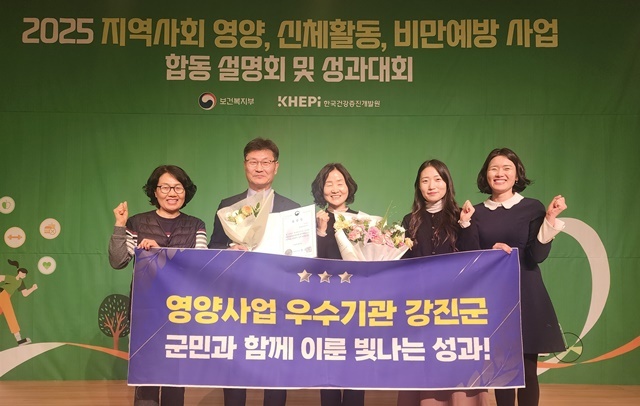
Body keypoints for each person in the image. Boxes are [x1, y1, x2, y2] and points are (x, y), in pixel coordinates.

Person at [459, 148, 567, 406]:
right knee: (502, 370)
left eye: (507, 168)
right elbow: (469, 257)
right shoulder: (475, 212)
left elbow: (537, 255)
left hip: (525, 292)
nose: (500, 173)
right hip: (492, 297)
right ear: (486, 175)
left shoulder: (532, 207)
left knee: (528, 370)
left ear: (517, 174)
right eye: (494, 168)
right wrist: (466, 226)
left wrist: (550, 219)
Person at [208, 137, 298, 406]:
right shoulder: (227, 205)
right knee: (235, 363)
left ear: (276, 167)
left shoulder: (292, 209)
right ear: (245, 165)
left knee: (275, 363)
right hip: (237, 299)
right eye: (253, 162)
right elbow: (213, 246)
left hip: (277, 299)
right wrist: (229, 248)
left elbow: (299, 255)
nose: (259, 168)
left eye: (266, 162)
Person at [109, 164, 207, 406]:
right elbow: (118, 261)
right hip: (146, 311)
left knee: (175, 378)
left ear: (186, 192)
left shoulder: (196, 225)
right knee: (146, 378)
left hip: (180, 311)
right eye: (165, 187)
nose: (172, 193)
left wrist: (161, 251)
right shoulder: (137, 222)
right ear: (154, 191)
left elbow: (200, 266)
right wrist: (120, 225)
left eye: (178, 187)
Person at [397, 159, 489, 406]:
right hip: (420, 307)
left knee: (454, 359)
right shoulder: (409, 220)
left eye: (437, 179)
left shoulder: (462, 215)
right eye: (425, 180)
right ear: (418, 186)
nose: (431, 186)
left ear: (447, 183)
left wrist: (466, 224)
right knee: (424, 361)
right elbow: (402, 263)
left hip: (455, 305)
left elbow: (473, 257)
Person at [311, 163, 364, 406]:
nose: (335, 189)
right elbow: (310, 264)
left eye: (339, 183)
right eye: (329, 184)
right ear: (321, 189)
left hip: (356, 304)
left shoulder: (362, 220)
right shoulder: (313, 221)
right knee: (328, 367)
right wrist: (321, 232)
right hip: (325, 305)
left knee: (356, 366)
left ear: (348, 186)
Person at [0, 260, 38, 347]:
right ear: (19, 272)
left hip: (6, 296)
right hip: (2, 293)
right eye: (23, 274)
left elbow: (25, 294)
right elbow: (1, 277)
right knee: (10, 315)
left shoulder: (20, 283)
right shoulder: (11, 278)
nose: (24, 275)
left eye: (25, 275)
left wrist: (33, 288)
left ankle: (19, 340)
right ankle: (19, 340)